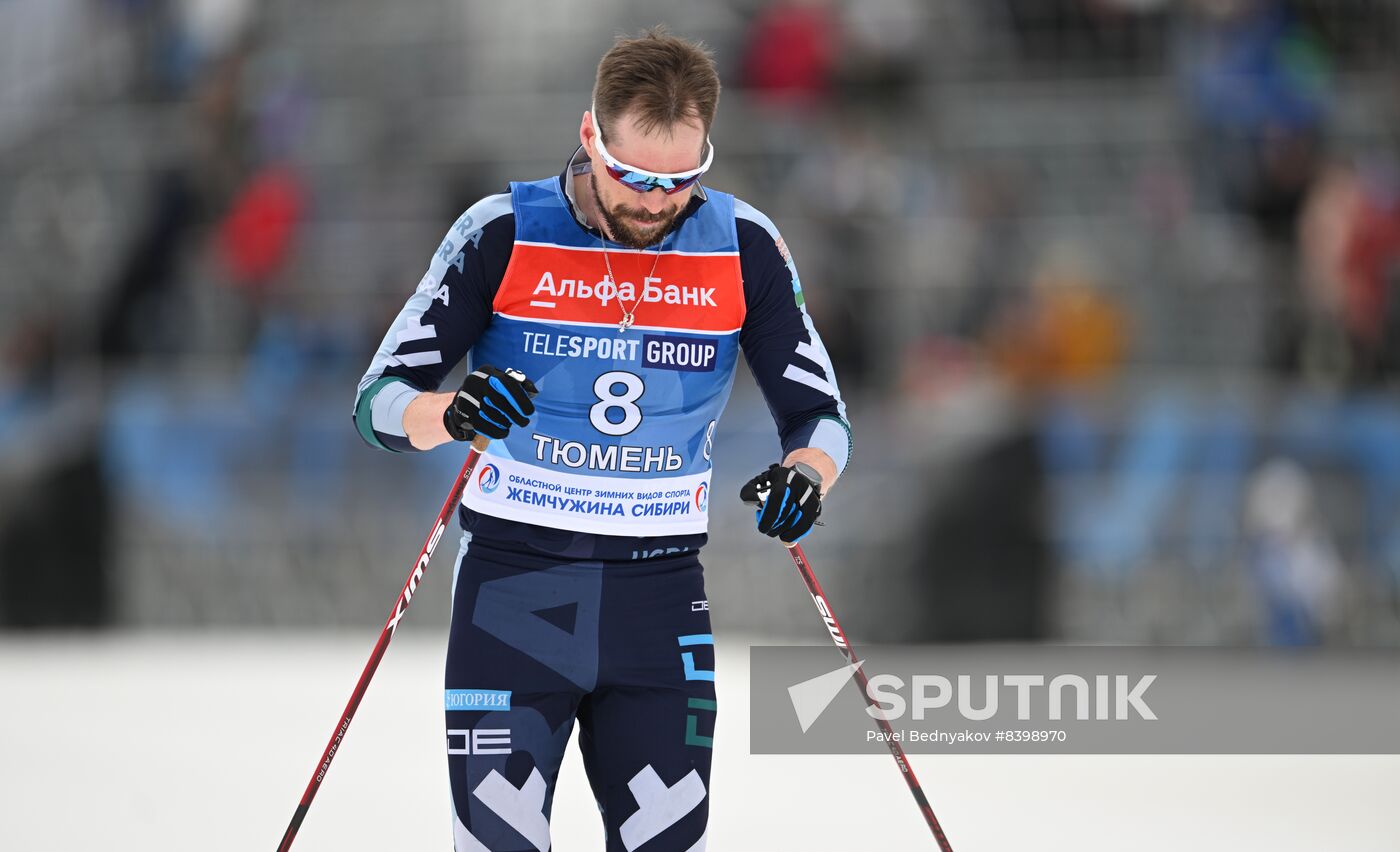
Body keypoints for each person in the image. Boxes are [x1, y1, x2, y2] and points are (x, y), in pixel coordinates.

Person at [353, 27, 851, 852]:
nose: (655, 202)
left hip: (658, 604)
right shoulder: (503, 230)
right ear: (590, 135)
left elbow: (820, 415)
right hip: (515, 595)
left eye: (681, 182)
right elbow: (378, 402)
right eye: (633, 177)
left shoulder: (741, 243)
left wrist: (807, 475)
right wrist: (454, 413)